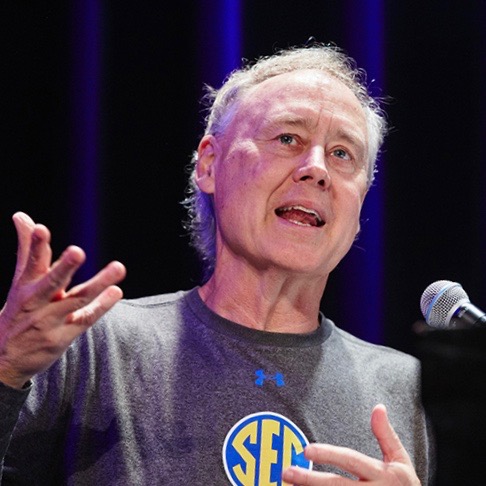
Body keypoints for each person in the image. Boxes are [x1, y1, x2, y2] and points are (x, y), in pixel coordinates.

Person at [0, 44, 433, 485]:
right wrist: (6, 368)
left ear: (360, 205)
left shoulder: (410, 391)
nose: (317, 169)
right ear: (209, 164)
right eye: (288, 139)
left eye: (342, 154)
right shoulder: (90, 346)